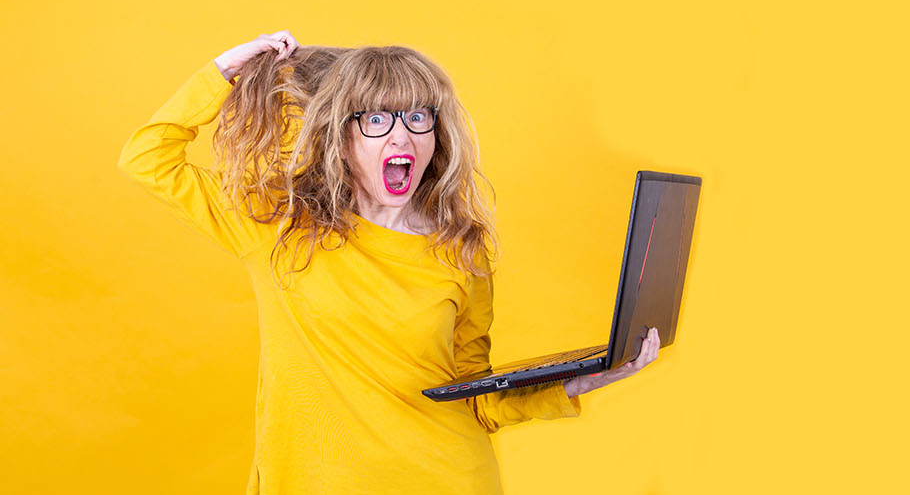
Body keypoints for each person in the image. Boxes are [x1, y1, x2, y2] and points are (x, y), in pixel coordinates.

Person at [116, 31, 661, 494]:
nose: (401, 134)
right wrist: (224, 70)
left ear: (435, 133)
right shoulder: (277, 227)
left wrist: (578, 382)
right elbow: (147, 158)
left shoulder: (462, 249)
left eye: (417, 116)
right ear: (340, 135)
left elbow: (474, 398)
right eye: (376, 119)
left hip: (447, 477)